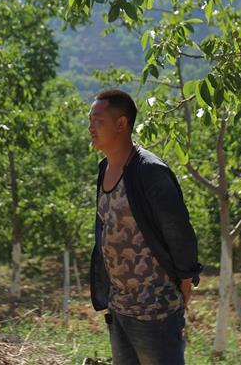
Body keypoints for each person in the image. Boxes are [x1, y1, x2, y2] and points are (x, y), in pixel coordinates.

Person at [88, 88, 203, 365]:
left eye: (98, 121)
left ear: (121, 123)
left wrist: (186, 278)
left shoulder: (149, 171)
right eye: (90, 120)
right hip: (120, 308)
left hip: (155, 311)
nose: (90, 127)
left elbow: (178, 229)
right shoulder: (105, 169)